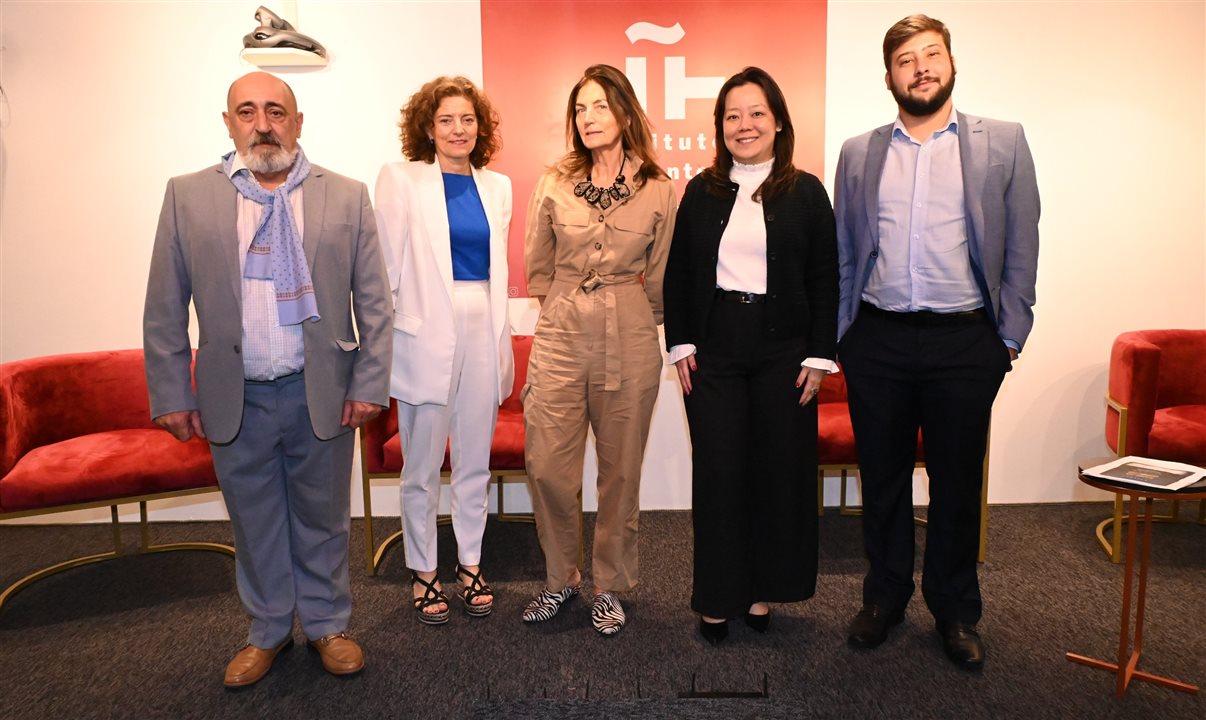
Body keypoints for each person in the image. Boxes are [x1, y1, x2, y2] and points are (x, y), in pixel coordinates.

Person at [143, 71, 392, 687]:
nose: (263, 123)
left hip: (321, 392)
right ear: (228, 123)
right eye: (247, 111)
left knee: (324, 518)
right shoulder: (187, 195)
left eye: (277, 110)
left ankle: (329, 625)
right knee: (254, 522)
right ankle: (268, 631)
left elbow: (376, 303)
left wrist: (368, 382)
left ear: (298, 122)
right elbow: (164, 306)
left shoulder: (347, 194)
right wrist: (172, 392)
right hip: (236, 395)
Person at [834, 14, 1040, 669]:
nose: (920, 67)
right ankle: (884, 598)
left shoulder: (1003, 143)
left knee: (956, 483)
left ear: (950, 63)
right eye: (905, 59)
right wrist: (843, 335)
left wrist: (1008, 334)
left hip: (964, 343)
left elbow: (1023, 244)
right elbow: (844, 250)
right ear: (889, 76)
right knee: (884, 479)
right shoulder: (859, 152)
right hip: (879, 342)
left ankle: (955, 610)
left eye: (931, 55)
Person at [663, 67, 839, 646]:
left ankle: (762, 590)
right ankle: (717, 598)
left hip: (783, 353)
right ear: (720, 127)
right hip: (715, 350)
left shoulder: (806, 191)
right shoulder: (702, 190)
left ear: (779, 121)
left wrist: (819, 355)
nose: (745, 125)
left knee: (776, 474)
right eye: (732, 116)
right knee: (719, 474)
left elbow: (824, 277)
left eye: (756, 113)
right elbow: (682, 272)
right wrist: (681, 343)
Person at [521, 64, 676, 636]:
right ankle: (561, 578)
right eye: (580, 109)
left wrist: (640, 323)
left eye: (600, 107)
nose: (588, 119)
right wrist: (563, 310)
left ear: (626, 113)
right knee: (548, 466)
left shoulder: (658, 187)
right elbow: (538, 265)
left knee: (620, 472)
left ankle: (609, 585)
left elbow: (660, 277)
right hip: (561, 330)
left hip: (631, 331)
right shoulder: (554, 181)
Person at [374, 77, 513, 625]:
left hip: (483, 323)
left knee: (475, 458)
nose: (459, 130)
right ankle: (424, 570)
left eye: (468, 119)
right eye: (447, 120)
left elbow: (497, 271)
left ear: (481, 127)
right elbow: (384, 269)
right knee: (423, 463)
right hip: (424, 333)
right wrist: (378, 347)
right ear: (428, 128)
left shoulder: (498, 186)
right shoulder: (401, 180)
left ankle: (471, 564)